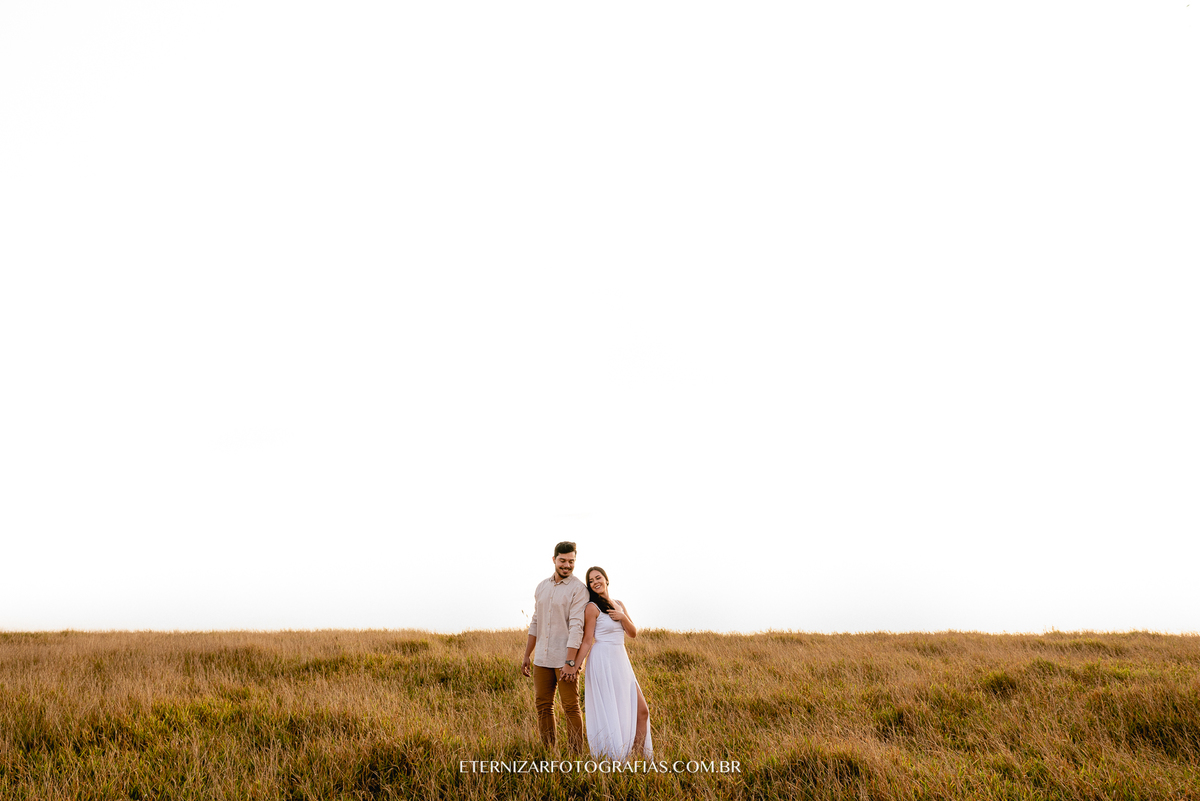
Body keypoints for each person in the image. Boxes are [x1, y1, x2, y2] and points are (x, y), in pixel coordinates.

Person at [576, 566, 652, 761]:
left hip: (621, 661)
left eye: (598, 578)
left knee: (642, 711)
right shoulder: (592, 608)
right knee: (613, 710)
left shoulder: (619, 604)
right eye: (591, 581)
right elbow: (587, 640)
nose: (595, 582)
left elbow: (632, 633)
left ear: (606, 579)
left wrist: (622, 617)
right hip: (603, 660)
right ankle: (615, 758)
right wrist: (576, 665)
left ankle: (634, 757)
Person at [522, 541, 589, 751]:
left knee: (570, 707)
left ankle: (575, 756)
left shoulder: (579, 589)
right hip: (542, 658)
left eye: (571, 561)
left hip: (565, 659)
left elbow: (577, 627)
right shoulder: (542, 586)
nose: (567, 565)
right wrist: (527, 655)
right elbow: (535, 621)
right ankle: (548, 752)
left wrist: (570, 662)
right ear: (554, 559)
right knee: (543, 706)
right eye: (562, 560)